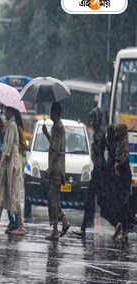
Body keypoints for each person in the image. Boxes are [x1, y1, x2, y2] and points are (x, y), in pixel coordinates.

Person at [0, 106, 25, 235]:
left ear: (11, 112)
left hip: (12, 165)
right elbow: (4, 142)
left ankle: (21, 226)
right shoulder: (9, 125)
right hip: (8, 163)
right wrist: (0, 129)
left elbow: (8, 148)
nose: (5, 113)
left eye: (7, 111)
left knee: (14, 194)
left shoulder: (13, 125)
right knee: (2, 193)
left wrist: (0, 163)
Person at [73, 107, 105, 238]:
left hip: (99, 171)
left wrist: (97, 167)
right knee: (97, 201)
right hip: (98, 170)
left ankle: (84, 227)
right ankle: (84, 226)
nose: (90, 121)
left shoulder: (99, 134)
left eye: (92, 118)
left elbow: (99, 155)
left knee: (95, 200)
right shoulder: (99, 132)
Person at [42, 102, 70, 241]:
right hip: (56, 168)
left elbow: (55, 149)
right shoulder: (56, 127)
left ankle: (57, 229)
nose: (50, 114)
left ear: (56, 113)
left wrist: (49, 167)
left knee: (53, 199)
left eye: (51, 112)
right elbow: (54, 144)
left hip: (56, 169)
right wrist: (47, 134)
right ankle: (61, 224)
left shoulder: (58, 127)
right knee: (53, 199)